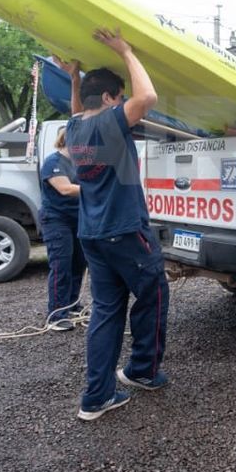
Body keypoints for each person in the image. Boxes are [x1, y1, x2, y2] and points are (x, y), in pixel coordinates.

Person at [59, 28, 169, 421]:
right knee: (154, 294)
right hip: (125, 229)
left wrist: (73, 76)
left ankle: (97, 396)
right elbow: (148, 98)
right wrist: (124, 50)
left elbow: (77, 108)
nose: (123, 103)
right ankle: (143, 370)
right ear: (108, 99)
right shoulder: (108, 122)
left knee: (107, 311)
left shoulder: (74, 129)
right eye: (117, 97)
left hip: (92, 233)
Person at [39, 127, 86, 331]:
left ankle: (72, 305)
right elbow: (65, 189)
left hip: (78, 219)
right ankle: (56, 314)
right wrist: (97, 189)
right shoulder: (53, 162)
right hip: (57, 220)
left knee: (79, 263)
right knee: (61, 265)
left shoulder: (80, 163)